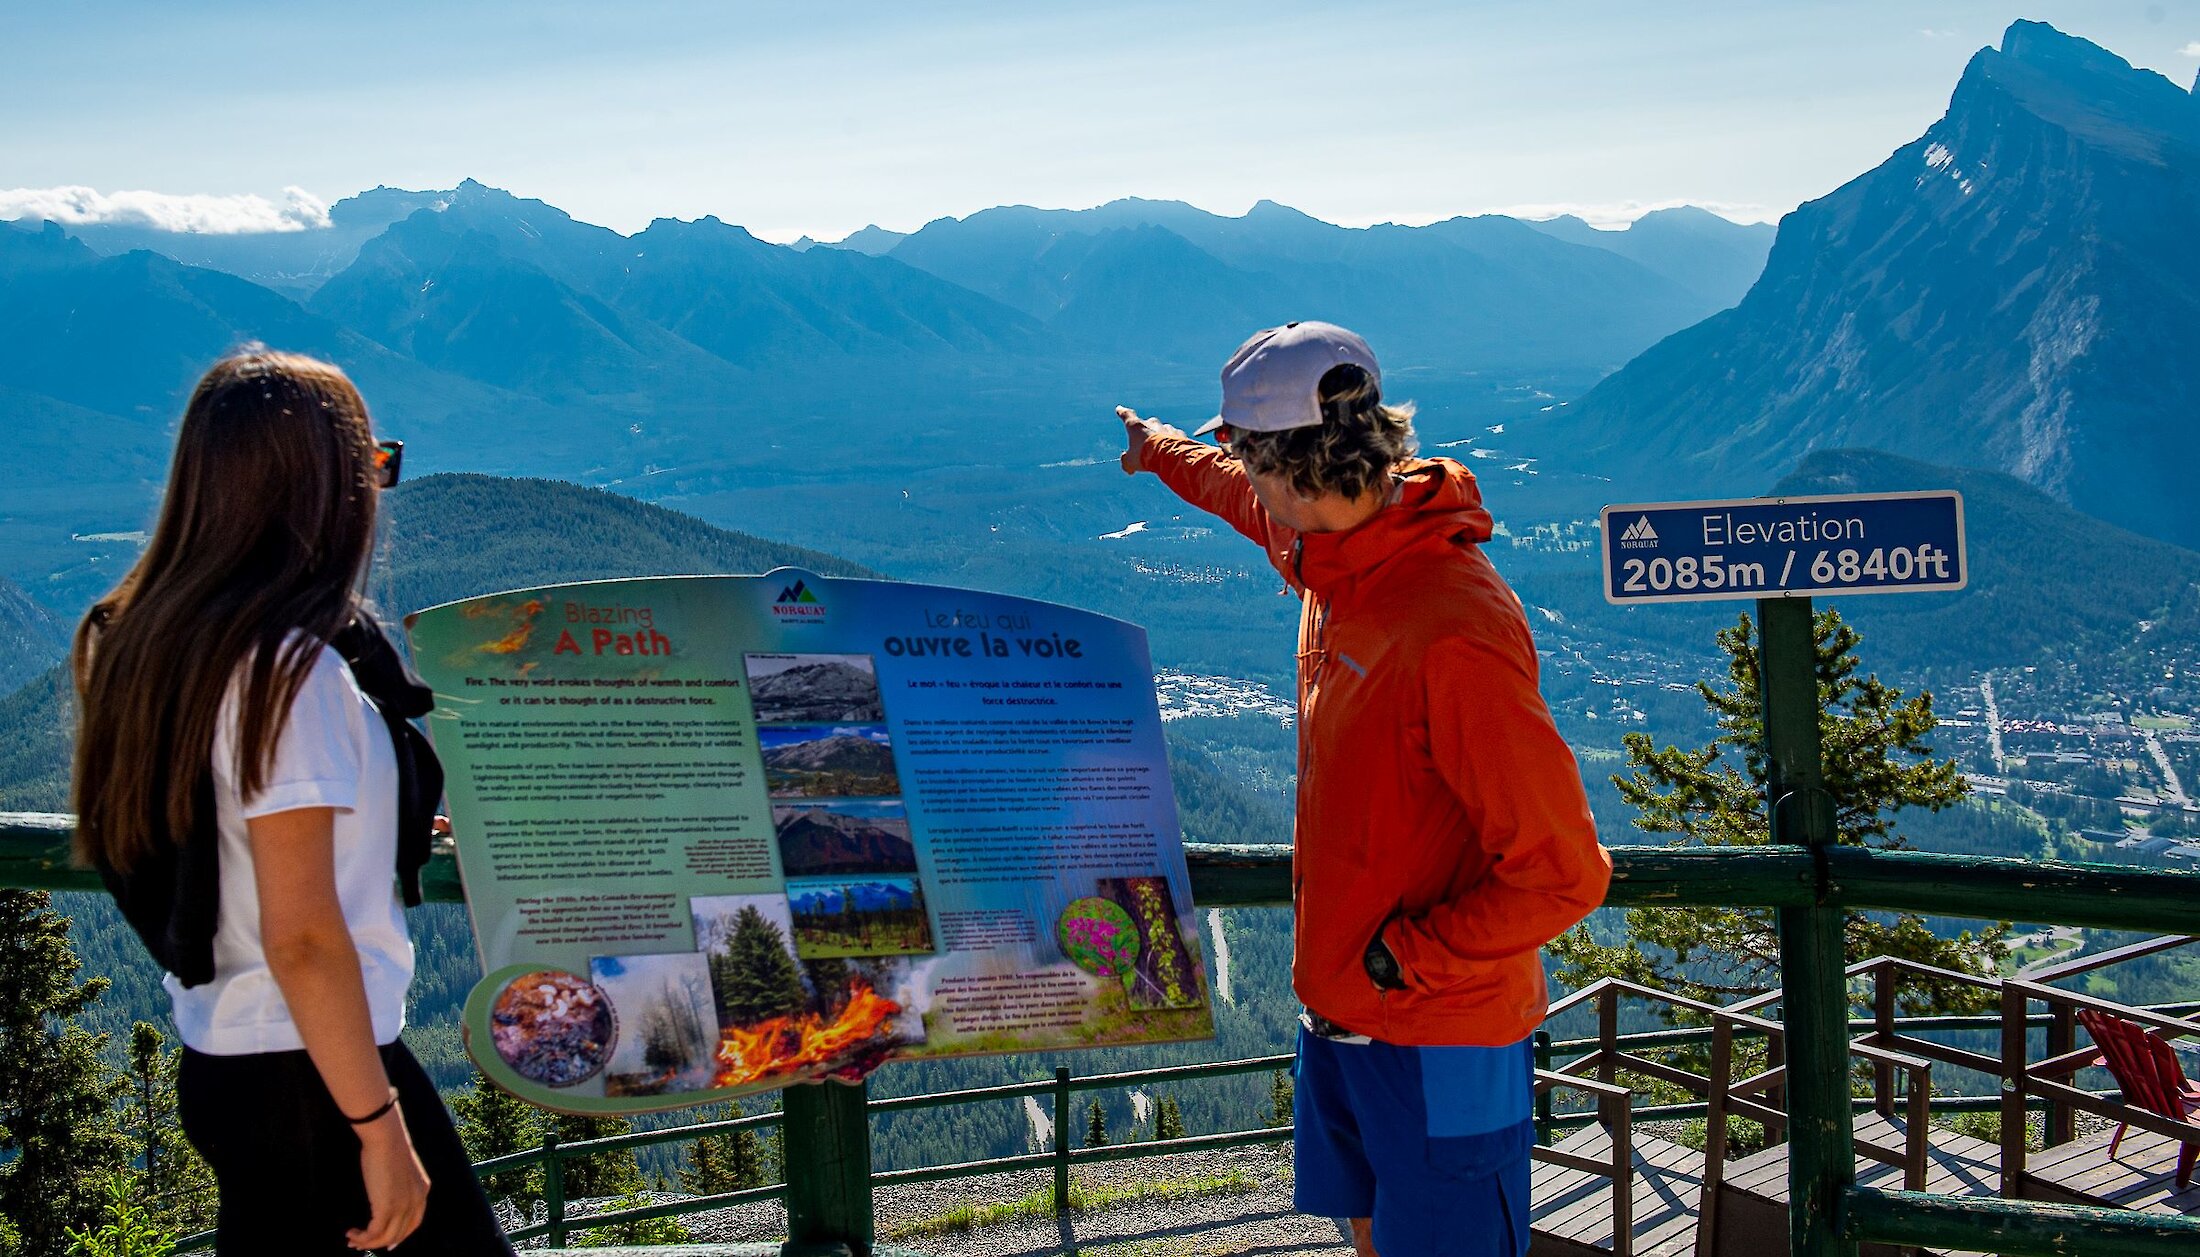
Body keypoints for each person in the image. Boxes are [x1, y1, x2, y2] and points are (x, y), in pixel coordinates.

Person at [1116, 322, 1611, 1257]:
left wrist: (1404, 958)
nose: (1244, 478)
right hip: (1345, 1018)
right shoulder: (1333, 551)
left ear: (1288, 462)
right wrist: (1158, 452)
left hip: (1440, 1038)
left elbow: (1564, 875)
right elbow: (1226, 492)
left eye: (1247, 454)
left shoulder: (1450, 625)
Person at [71, 350, 511, 1255]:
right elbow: (303, 937)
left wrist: (374, 828)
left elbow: (226, 836)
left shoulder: (157, 643)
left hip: (235, 1059)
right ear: (321, 483)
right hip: (319, 1077)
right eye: (372, 463)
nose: (379, 489)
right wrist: (380, 1128)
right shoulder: (289, 669)